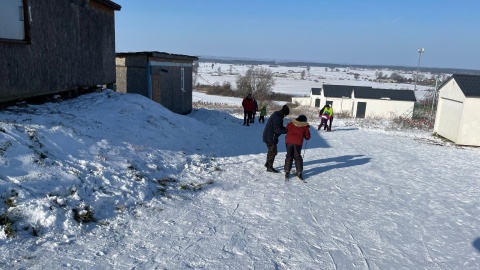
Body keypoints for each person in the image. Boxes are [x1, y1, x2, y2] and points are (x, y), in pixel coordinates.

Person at [262, 105, 290, 173]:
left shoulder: (277, 115)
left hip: (269, 135)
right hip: (270, 137)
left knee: (270, 151)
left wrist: (286, 129)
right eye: (286, 114)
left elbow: (279, 127)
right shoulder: (278, 117)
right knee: (273, 152)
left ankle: (267, 164)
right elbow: (277, 130)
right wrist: (287, 131)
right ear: (284, 113)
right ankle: (269, 167)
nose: (286, 116)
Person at [284, 115, 311, 180]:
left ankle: (287, 171)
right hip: (297, 143)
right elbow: (307, 137)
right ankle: (299, 172)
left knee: (289, 156)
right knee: (297, 157)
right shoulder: (305, 126)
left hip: (289, 141)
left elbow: (286, 128)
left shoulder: (291, 123)